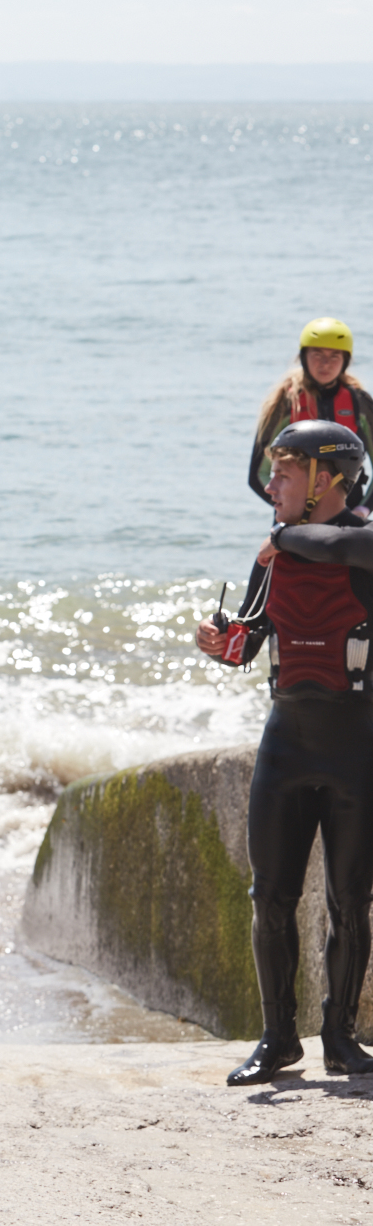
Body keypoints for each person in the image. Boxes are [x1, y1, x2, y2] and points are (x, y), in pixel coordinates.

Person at [198, 418, 373, 1086]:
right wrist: (216, 639)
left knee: (350, 900)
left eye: (285, 473)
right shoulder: (273, 555)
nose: (270, 485)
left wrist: (280, 537)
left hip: (357, 745)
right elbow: (246, 643)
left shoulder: (360, 542)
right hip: (287, 744)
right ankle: (277, 1040)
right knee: (269, 895)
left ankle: (340, 1039)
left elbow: (351, 542)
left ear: (326, 479)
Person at [250, 318, 371, 506]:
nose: (326, 363)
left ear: (345, 360)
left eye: (334, 356)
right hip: (294, 514)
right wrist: (291, 508)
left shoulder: (360, 403)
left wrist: (362, 511)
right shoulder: (285, 403)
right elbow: (258, 475)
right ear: (304, 356)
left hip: (348, 512)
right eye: (317, 354)